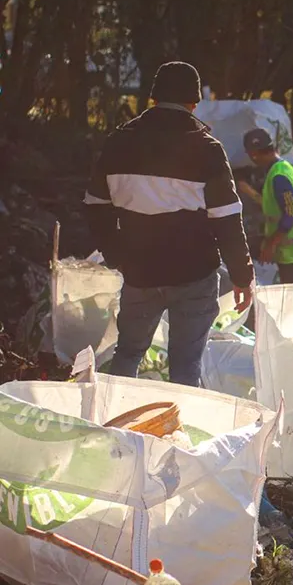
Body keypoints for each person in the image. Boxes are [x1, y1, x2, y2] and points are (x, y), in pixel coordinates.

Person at [85, 61, 254, 387]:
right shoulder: (207, 150)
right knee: (185, 366)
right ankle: (177, 432)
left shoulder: (117, 143)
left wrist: (117, 255)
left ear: (153, 97)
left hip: (140, 274)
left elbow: (95, 207)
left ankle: (116, 426)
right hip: (194, 275)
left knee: (128, 354)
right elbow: (227, 221)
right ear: (194, 102)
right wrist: (242, 277)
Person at [241, 129, 293, 285]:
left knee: (292, 296)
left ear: (253, 154)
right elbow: (275, 204)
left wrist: (270, 245)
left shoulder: (278, 176)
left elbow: (290, 214)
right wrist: (249, 192)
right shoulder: (284, 168)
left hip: (291, 247)